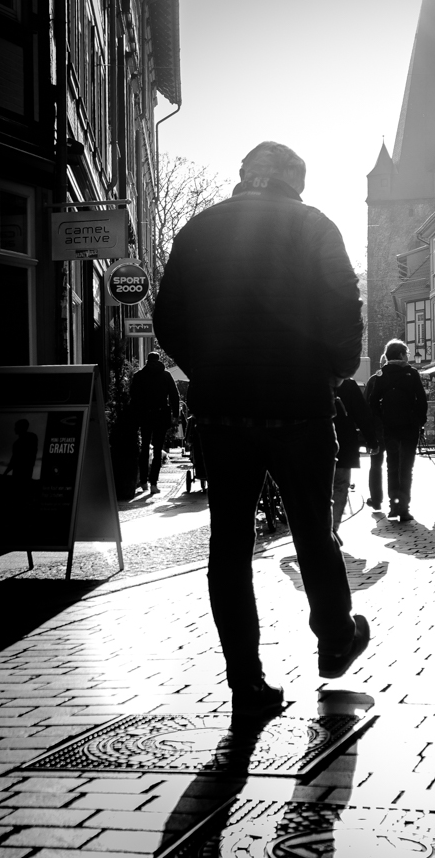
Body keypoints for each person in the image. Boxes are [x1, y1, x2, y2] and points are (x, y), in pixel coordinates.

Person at [153, 141, 369, 716]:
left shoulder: (199, 230)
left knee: (228, 544)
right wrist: (333, 372)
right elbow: (344, 306)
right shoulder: (313, 225)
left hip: (222, 410)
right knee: (311, 529)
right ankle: (334, 639)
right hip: (299, 405)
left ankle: (246, 680)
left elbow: (167, 316)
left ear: (245, 177)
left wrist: (206, 367)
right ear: (294, 182)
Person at [367, 339, 427, 522]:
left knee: (392, 466)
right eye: (406, 354)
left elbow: (372, 401)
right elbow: (422, 400)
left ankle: (394, 505)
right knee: (406, 468)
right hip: (409, 427)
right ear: (401, 355)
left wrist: (383, 418)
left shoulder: (381, 374)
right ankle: (404, 508)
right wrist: (419, 420)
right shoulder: (412, 373)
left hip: (390, 428)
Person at [333, 378, 379, 542]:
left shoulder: (306, 377)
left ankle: (319, 530)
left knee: (315, 488)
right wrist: (371, 440)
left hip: (310, 442)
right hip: (342, 441)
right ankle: (332, 529)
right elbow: (362, 413)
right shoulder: (346, 383)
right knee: (340, 485)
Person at [129, 351, 179, 494]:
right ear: (158, 360)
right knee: (157, 449)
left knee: (144, 448)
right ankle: (154, 484)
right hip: (161, 415)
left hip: (144, 415)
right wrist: (175, 414)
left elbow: (134, 397)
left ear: (147, 360)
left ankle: (143, 482)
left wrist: (135, 416)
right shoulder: (166, 375)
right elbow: (174, 395)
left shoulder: (139, 376)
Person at [364, 355, 387, 510]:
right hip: (396, 430)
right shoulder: (406, 376)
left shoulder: (373, 380)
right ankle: (398, 500)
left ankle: (376, 499)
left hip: (377, 431)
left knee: (376, 466)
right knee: (397, 465)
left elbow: (365, 407)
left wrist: (368, 434)